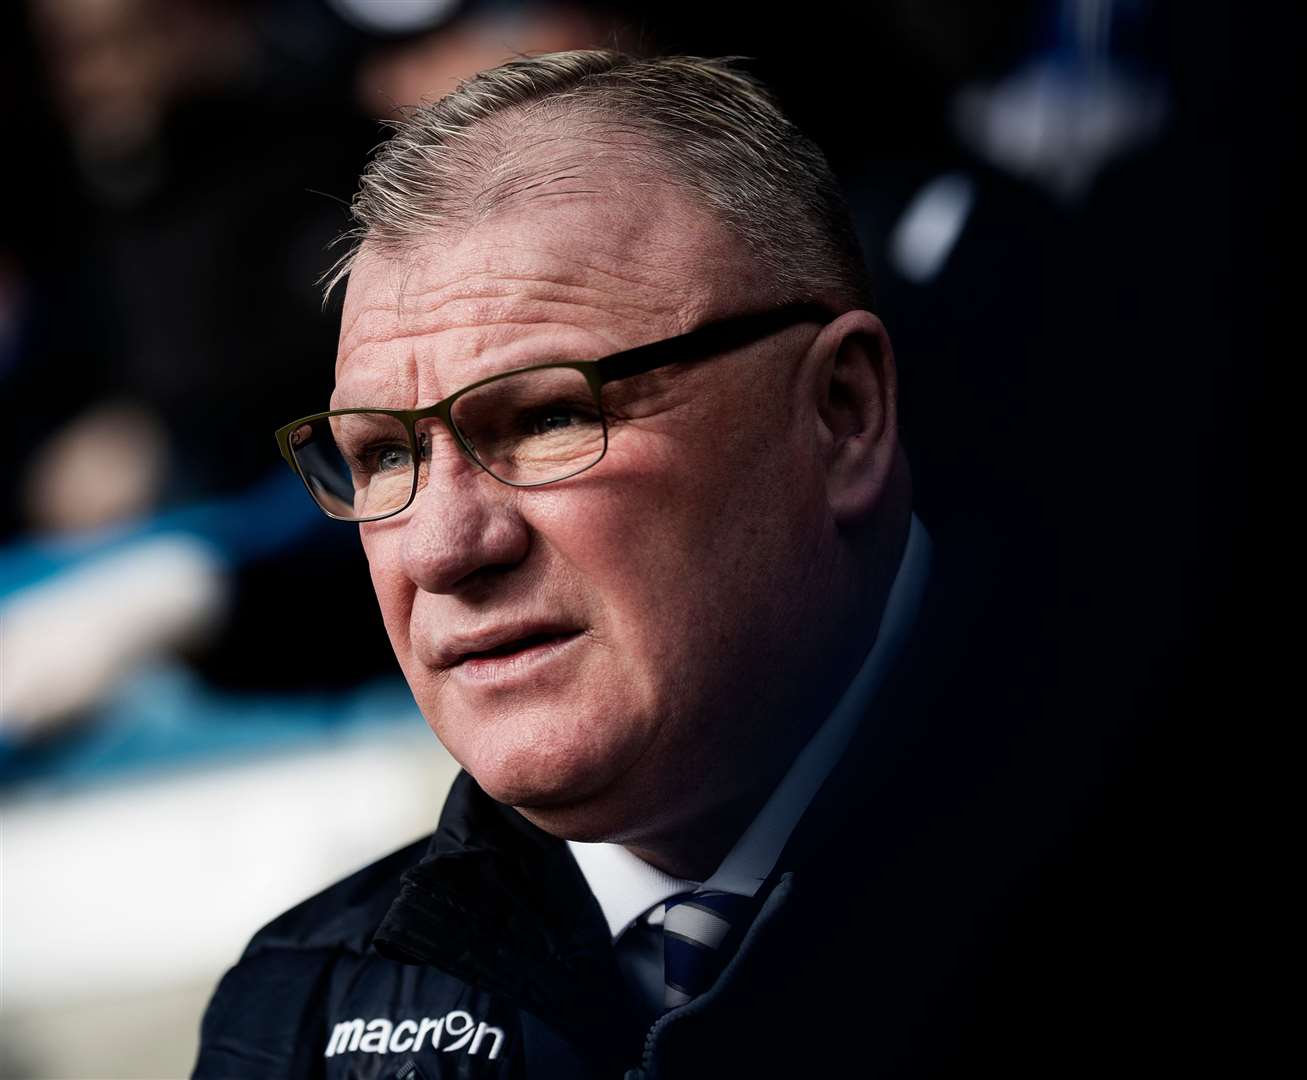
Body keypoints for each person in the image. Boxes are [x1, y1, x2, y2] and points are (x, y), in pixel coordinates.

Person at [194, 51, 1161, 1079]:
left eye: (548, 417)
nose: (441, 548)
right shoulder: (294, 1011)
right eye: (384, 454)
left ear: (843, 415)